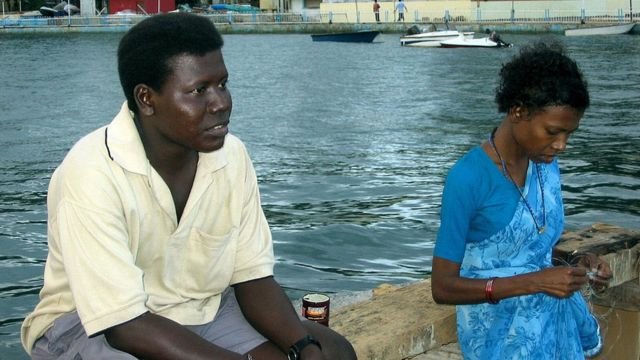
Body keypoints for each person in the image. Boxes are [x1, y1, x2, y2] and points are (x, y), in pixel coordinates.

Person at [21, 13, 357, 360]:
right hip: (92, 324)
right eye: (199, 90)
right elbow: (124, 325)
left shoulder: (231, 156)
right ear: (146, 99)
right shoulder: (93, 171)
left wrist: (302, 346)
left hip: (201, 308)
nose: (221, 103)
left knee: (333, 352)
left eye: (223, 84)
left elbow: (251, 278)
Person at [431, 41, 612, 359]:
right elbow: (443, 287)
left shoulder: (545, 165)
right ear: (518, 112)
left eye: (569, 134)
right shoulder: (469, 177)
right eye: (553, 132)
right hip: (498, 333)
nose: (561, 146)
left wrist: (576, 261)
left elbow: (528, 247)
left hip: (551, 324)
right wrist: (535, 282)